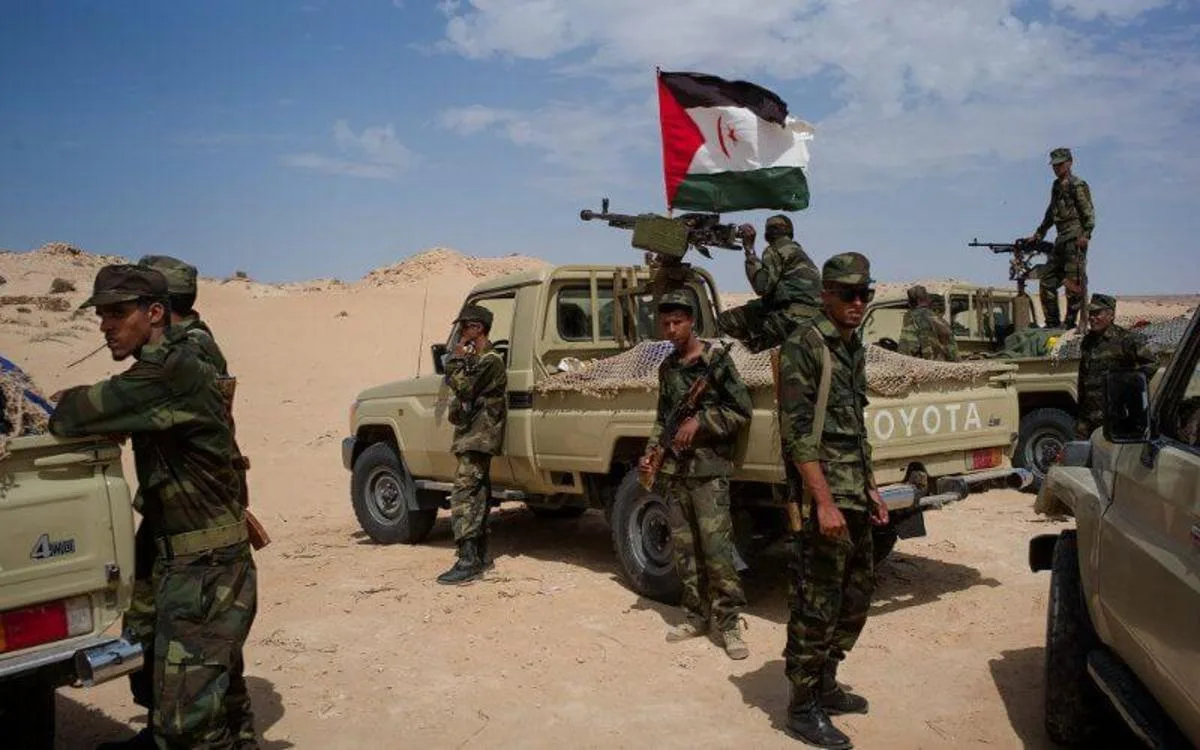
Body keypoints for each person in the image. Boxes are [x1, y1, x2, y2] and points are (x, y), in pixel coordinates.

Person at [49, 265, 256, 750]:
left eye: (117, 313)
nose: (106, 326)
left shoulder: (170, 370)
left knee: (191, 726)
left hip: (203, 569)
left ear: (156, 312)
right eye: (102, 315)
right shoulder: (168, 364)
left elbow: (74, 414)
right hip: (191, 561)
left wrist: (68, 402)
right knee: (213, 699)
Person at [777, 252, 890, 749]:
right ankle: (802, 706)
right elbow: (798, 435)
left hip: (853, 494)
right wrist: (823, 501)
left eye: (865, 293)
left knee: (856, 594)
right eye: (848, 294)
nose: (858, 302)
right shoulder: (806, 344)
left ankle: (826, 681)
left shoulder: (851, 345)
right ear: (826, 294)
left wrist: (870, 485)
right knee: (817, 602)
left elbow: (854, 428)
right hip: (822, 496)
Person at [641, 290, 753, 659]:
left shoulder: (716, 362)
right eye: (665, 324)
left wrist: (702, 421)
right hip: (675, 471)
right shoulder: (668, 367)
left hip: (708, 471)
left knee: (717, 551)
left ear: (692, 322)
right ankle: (696, 615)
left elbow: (741, 410)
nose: (671, 330)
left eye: (677, 322)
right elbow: (662, 419)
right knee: (685, 549)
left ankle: (730, 623)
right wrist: (652, 454)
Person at [437, 304, 507, 585]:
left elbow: (465, 388)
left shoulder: (491, 360)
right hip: (472, 436)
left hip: (479, 437)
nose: (461, 333)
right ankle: (478, 556)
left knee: (464, 495)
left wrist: (454, 358)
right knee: (477, 496)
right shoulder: (478, 359)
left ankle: (467, 562)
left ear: (477, 328)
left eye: (464, 328)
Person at [717, 214, 822, 352]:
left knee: (726, 320)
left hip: (789, 319)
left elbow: (761, 287)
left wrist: (749, 250)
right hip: (814, 321)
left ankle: (754, 347)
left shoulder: (776, 249)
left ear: (767, 235)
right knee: (756, 307)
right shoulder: (799, 253)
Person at [1026, 147, 1095, 330]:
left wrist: (1086, 234)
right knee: (1047, 280)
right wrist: (1039, 234)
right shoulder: (1056, 186)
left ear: (1069, 163)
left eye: (1060, 164)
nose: (1056, 168)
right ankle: (1052, 323)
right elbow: (1051, 212)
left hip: (1075, 239)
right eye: (1054, 165)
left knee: (1073, 285)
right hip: (1061, 239)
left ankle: (1070, 324)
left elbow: (1088, 212)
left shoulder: (1077, 185)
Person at [1074, 293, 1157, 439]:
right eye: (1090, 314)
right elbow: (1084, 377)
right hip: (1088, 417)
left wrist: (1129, 387)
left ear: (1111, 315)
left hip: (1114, 416)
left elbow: (1152, 362)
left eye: (1097, 314)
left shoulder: (1125, 339)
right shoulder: (1088, 341)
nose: (1092, 318)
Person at [898, 285, 958, 361]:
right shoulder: (941, 320)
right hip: (942, 365)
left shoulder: (911, 317)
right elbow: (953, 351)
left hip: (923, 365)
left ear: (912, 302)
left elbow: (907, 348)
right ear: (927, 299)